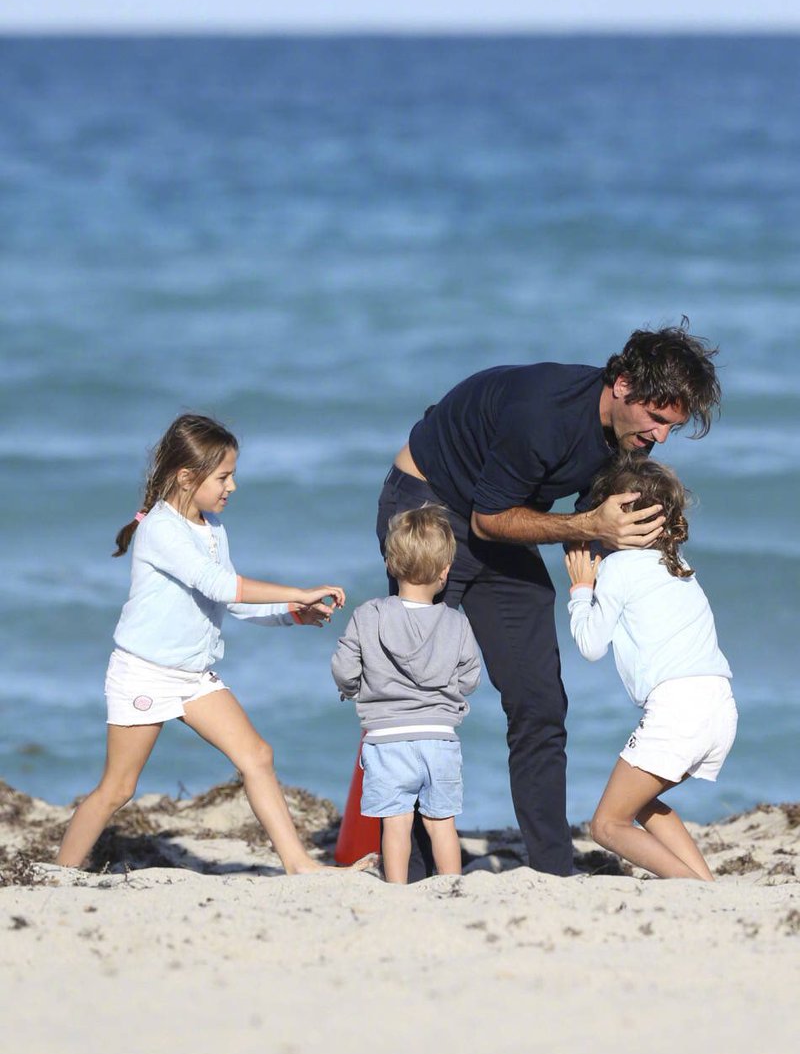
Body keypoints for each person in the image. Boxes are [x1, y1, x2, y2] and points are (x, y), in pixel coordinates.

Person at [377, 320, 721, 876]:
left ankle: (552, 871)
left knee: (540, 702)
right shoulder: (544, 414)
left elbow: (598, 529)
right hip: (428, 509)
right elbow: (491, 520)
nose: (660, 437)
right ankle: (411, 872)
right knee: (417, 698)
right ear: (623, 385)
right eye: (656, 419)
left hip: (501, 523)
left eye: (671, 428)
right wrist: (589, 524)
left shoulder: (626, 442)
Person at [57, 413, 355, 876]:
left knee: (257, 755)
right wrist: (297, 591)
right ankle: (60, 873)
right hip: (145, 673)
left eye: (232, 474)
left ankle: (299, 865)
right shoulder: (161, 529)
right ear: (186, 477)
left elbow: (231, 602)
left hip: (193, 676)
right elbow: (218, 584)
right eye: (223, 476)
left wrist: (294, 614)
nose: (232, 486)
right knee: (118, 789)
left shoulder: (212, 528)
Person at [565, 454, 736, 880]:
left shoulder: (619, 568)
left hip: (677, 710)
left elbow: (590, 645)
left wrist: (581, 590)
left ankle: (689, 885)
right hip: (719, 705)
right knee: (639, 804)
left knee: (607, 825)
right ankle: (705, 886)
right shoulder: (678, 565)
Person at [332, 505, 481, 883]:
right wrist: (449, 693)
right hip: (439, 738)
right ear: (445, 571)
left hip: (386, 740)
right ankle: (453, 885)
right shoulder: (456, 622)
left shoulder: (368, 615)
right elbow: (471, 677)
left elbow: (344, 667)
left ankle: (396, 890)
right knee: (442, 824)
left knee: (396, 825)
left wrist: (352, 690)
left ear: (390, 564)